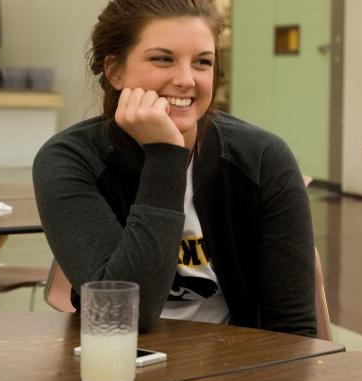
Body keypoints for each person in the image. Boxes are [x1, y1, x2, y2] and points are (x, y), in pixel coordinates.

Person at [33, 0, 316, 337]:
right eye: (162, 59)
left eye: (202, 62)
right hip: (115, 368)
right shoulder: (69, 159)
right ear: (115, 71)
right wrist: (166, 156)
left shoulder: (263, 158)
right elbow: (124, 318)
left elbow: (294, 330)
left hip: (237, 373)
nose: (186, 79)